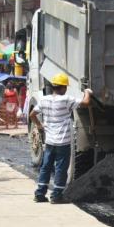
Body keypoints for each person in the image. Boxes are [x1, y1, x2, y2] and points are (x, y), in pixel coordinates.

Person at [29, 72, 92, 204]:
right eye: (65, 87)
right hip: (62, 142)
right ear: (63, 87)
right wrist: (87, 91)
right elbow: (86, 102)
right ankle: (56, 196)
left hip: (50, 141)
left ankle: (40, 194)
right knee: (61, 168)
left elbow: (32, 114)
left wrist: (40, 126)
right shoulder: (66, 100)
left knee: (46, 167)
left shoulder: (44, 100)